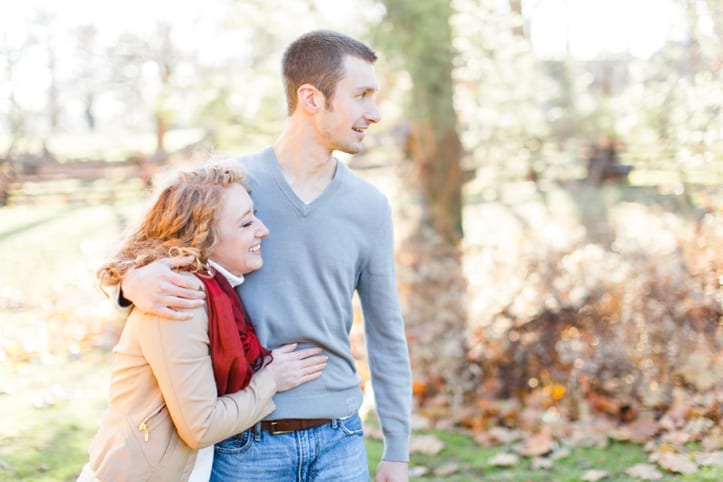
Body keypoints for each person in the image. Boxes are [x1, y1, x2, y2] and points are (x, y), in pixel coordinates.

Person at [120, 29, 412, 482]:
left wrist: (398, 446)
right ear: (311, 99)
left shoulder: (369, 206)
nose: (374, 113)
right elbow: (133, 256)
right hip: (243, 444)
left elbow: (386, 331)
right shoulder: (228, 186)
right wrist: (130, 282)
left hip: (341, 442)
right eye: (361, 96)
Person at [79, 164, 327, 481]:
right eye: (246, 222)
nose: (263, 230)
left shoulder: (214, 291)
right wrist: (272, 380)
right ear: (203, 236)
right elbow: (202, 425)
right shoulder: (179, 298)